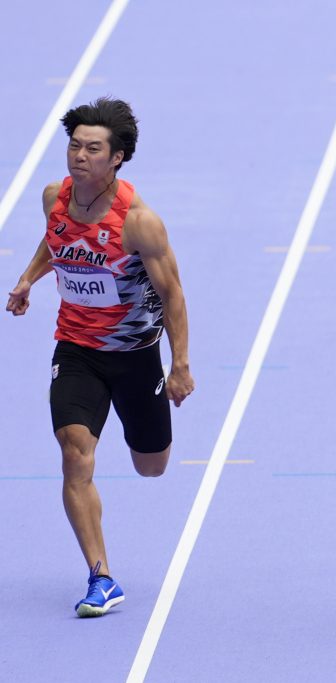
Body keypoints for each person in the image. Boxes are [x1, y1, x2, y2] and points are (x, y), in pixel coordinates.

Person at [6, 98, 194, 617]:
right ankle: (101, 576)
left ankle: (140, 429)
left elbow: (173, 293)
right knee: (73, 453)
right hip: (76, 348)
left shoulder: (139, 222)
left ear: (118, 158)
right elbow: (56, 242)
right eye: (74, 145)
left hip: (135, 355)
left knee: (150, 467)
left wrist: (179, 364)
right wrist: (28, 278)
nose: (79, 156)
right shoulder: (54, 199)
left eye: (93, 148)